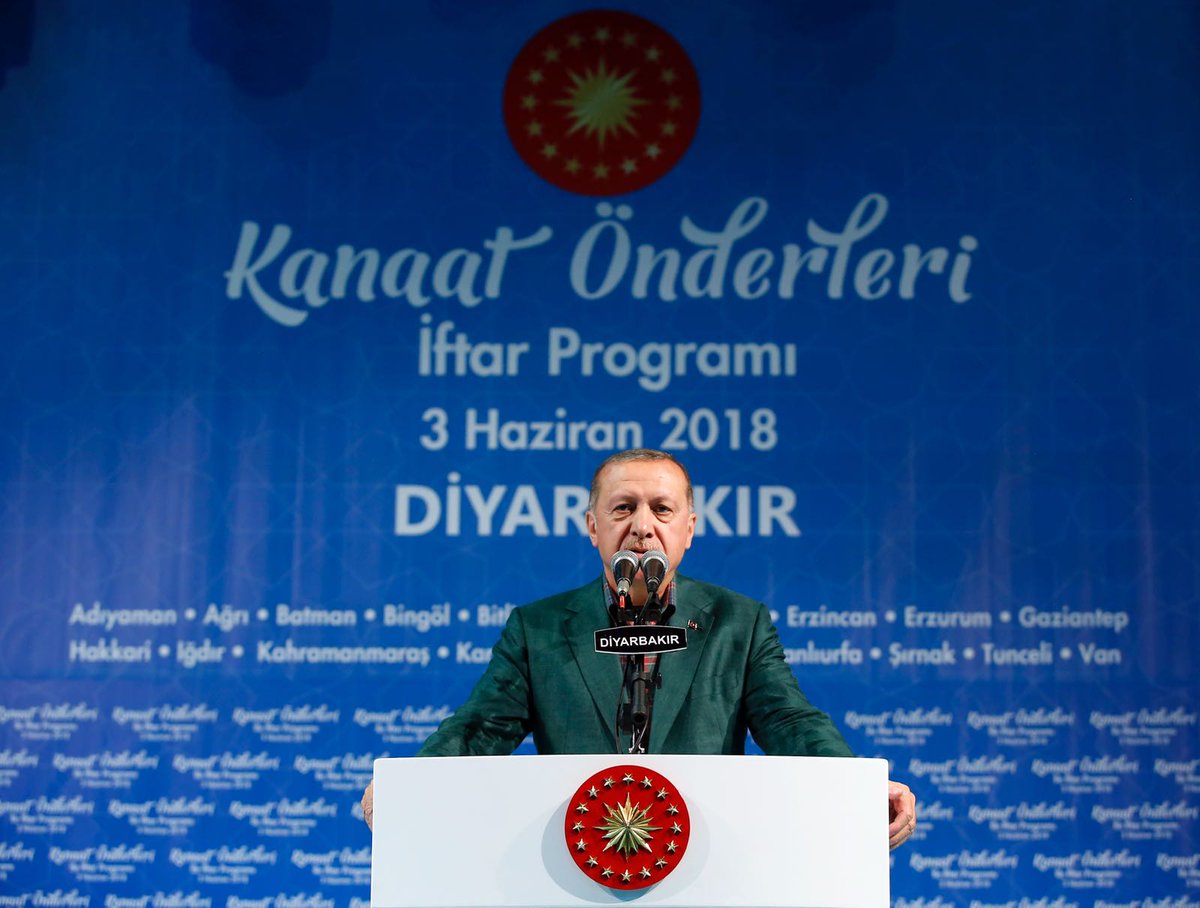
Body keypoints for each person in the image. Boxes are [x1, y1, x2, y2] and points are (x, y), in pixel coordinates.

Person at [362, 449, 917, 849]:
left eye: (662, 509)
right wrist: (412, 786)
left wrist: (858, 787)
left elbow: (788, 720)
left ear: (689, 529)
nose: (642, 527)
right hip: (573, 860)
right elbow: (481, 728)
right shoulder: (539, 628)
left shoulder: (738, 622)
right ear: (593, 526)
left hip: (708, 856)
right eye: (623, 508)